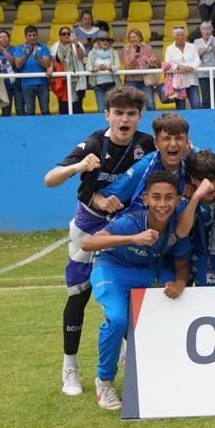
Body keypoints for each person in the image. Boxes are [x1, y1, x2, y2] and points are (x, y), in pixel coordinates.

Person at [42, 86, 154, 398]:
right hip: (88, 227)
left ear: (139, 117)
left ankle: (128, 355)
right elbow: (50, 179)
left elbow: (180, 149)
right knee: (79, 295)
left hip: (123, 226)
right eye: (118, 113)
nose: (124, 119)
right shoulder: (93, 143)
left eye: (131, 114)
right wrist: (79, 167)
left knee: (128, 291)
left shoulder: (147, 144)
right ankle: (70, 368)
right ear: (107, 115)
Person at [82, 171, 192, 410]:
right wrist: (132, 238)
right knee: (117, 319)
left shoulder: (177, 226)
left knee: (180, 301)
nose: (162, 204)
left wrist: (180, 282)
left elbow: (183, 267)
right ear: (146, 199)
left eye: (169, 197)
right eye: (156, 197)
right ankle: (105, 381)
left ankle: (153, 364)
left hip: (147, 271)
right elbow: (88, 243)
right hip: (112, 268)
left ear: (177, 199)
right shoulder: (131, 221)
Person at [97, 112, 192, 214]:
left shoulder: (193, 161)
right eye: (166, 139)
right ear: (156, 143)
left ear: (187, 142)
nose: (173, 144)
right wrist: (99, 201)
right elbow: (105, 197)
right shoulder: (144, 167)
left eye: (179, 138)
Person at [179, 150, 215, 286]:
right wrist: (196, 197)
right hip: (196, 255)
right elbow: (182, 232)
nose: (209, 186)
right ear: (193, 179)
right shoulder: (187, 199)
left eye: (213, 179)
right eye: (202, 180)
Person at [13, 26, 51, 115]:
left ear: (37, 36)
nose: (32, 37)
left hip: (42, 83)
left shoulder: (43, 47)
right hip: (26, 84)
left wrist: (37, 57)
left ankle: (48, 128)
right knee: (30, 111)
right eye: (29, 35)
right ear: (25, 37)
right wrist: (25, 55)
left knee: (45, 110)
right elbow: (18, 65)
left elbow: (47, 65)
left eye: (34, 35)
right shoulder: (19, 48)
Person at [49, 26, 87, 115]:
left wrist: (76, 44)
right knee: (63, 108)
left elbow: (81, 57)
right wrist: (50, 69)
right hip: (62, 83)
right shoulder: (55, 46)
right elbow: (53, 62)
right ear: (60, 36)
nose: (66, 35)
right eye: (63, 34)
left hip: (77, 82)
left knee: (77, 107)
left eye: (68, 33)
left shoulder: (77, 44)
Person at [164, 27, 202, 109]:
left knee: (196, 104)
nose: (180, 37)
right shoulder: (169, 48)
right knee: (180, 106)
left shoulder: (192, 46)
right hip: (178, 82)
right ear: (174, 37)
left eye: (182, 35)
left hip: (192, 79)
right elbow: (168, 63)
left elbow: (198, 60)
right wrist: (178, 66)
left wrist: (192, 67)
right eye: (178, 35)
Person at [122, 28, 160, 111]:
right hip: (131, 80)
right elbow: (127, 67)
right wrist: (134, 58)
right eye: (131, 37)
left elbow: (156, 62)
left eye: (134, 37)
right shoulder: (126, 49)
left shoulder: (147, 48)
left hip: (146, 80)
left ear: (140, 38)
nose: (132, 39)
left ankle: (153, 121)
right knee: (131, 105)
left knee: (150, 104)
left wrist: (153, 60)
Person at [86, 32, 121, 113]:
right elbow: (88, 67)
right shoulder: (92, 52)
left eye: (107, 40)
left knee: (114, 109)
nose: (105, 42)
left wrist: (109, 68)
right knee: (102, 110)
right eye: (102, 40)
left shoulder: (114, 52)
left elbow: (118, 66)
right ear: (98, 42)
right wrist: (96, 68)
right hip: (98, 85)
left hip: (112, 85)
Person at [194, 21, 215, 108]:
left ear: (212, 30)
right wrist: (206, 45)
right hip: (203, 74)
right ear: (201, 31)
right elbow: (196, 55)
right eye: (204, 29)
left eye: (208, 28)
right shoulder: (197, 41)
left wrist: (213, 45)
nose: (206, 31)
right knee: (206, 99)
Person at [0, 30, 21, 116]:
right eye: (1, 37)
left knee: (20, 109)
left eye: (6, 37)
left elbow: (13, 62)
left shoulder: (15, 49)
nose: (4, 39)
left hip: (16, 84)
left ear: (9, 39)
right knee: (5, 111)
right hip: (3, 85)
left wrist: (4, 51)